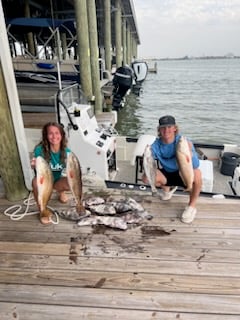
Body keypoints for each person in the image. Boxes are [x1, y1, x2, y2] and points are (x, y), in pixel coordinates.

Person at [142, 115, 202, 223]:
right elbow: (150, 161)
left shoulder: (183, 142)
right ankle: (167, 190)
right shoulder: (156, 145)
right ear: (159, 129)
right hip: (168, 174)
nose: (166, 130)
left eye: (169, 127)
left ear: (175, 128)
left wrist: (190, 153)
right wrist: (147, 156)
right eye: (163, 127)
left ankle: (191, 207)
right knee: (146, 178)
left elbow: (195, 165)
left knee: (197, 173)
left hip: (183, 173)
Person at [31, 122, 71, 224]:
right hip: (43, 182)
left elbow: (70, 172)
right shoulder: (39, 150)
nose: (54, 136)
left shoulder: (67, 152)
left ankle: (61, 192)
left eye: (57, 133)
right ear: (46, 135)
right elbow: (37, 169)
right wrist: (34, 165)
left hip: (57, 181)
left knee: (71, 181)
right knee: (35, 182)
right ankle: (42, 210)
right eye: (50, 133)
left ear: (62, 135)